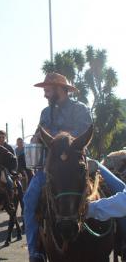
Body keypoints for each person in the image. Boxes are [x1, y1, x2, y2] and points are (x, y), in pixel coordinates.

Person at [23, 73, 93, 262]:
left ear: (59, 88)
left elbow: (84, 133)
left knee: (118, 187)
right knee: (29, 200)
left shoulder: (80, 109)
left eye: (47, 89)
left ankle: (122, 240)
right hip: (51, 168)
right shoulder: (45, 113)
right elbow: (41, 135)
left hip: (78, 164)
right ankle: (34, 251)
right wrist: (35, 138)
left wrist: (55, 139)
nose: (45, 94)